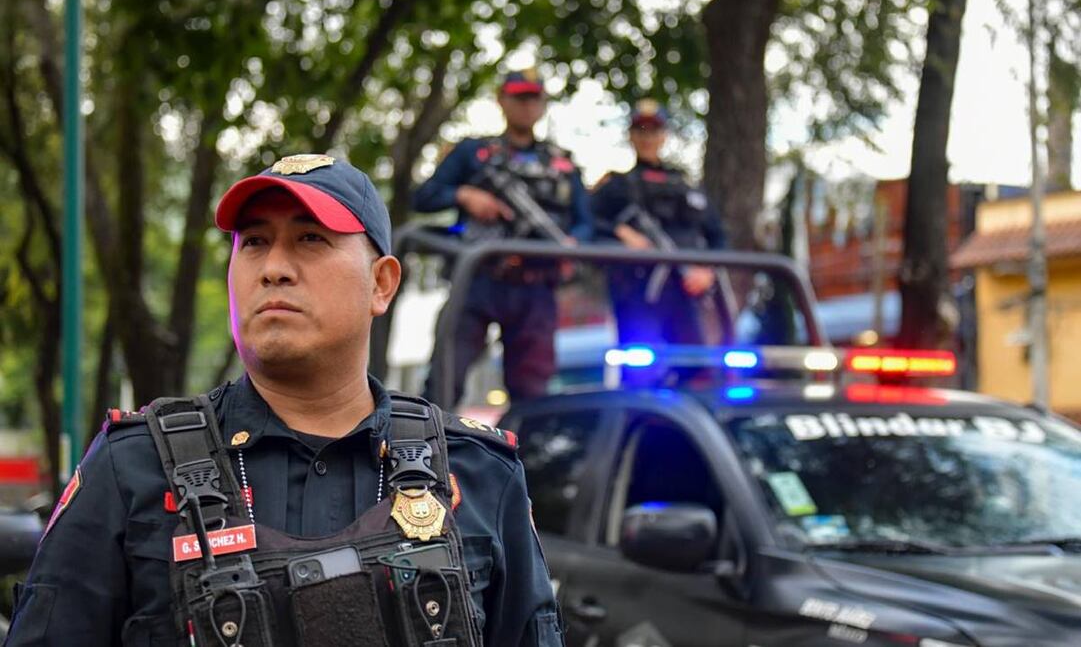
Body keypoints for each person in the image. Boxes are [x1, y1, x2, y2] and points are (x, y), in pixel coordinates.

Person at [5, 154, 564, 646]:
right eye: (253, 242)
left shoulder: (480, 476)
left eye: (310, 239)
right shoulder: (132, 469)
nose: (273, 267)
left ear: (382, 284)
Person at [413, 67, 592, 407]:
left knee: (533, 394)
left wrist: (572, 245)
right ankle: (430, 454)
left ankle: (524, 459)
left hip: (536, 289)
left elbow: (585, 223)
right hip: (478, 281)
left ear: (543, 104)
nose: (527, 106)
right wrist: (465, 196)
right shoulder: (473, 152)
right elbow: (424, 196)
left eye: (533, 98)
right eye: (519, 97)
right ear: (502, 100)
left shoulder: (562, 164)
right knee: (443, 383)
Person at [592, 99, 726, 353]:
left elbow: (718, 237)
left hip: (690, 296)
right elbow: (587, 227)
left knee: (698, 371)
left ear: (664, 136)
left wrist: (707, 271)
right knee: (641, 374)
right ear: (630, 136)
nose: (647, 138)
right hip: (638, 296)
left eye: (653, 130)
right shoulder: (616, 186)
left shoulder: (686, 184)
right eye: (640, 130)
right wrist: (620, 234)